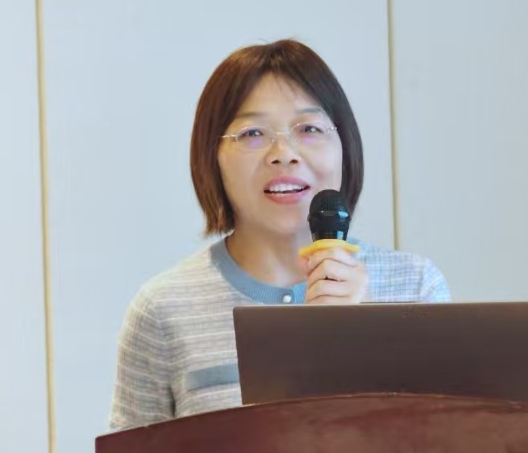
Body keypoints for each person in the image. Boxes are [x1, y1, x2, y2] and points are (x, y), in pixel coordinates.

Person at [108, 39, 451, 430]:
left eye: (309, 128)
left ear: (344, 145)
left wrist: (365, 334)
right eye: (252, 133)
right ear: (212, 156)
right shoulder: (163, 309)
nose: (283, 153)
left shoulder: (415, 287)